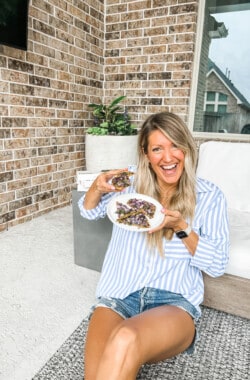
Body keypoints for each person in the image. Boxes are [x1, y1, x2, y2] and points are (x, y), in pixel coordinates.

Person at [78, 112, 229, 380]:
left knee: (125, 337)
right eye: (157, 148)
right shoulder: (129, 183)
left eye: (175, 146)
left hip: (174, 302)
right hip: (118, 296)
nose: (168, 157)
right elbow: (89, 212)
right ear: (146, 154)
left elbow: (217, 265)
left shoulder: (209, 195)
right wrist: (95, 188)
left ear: (187, 149)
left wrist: (182, 228)